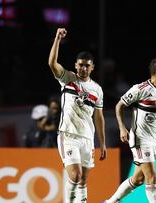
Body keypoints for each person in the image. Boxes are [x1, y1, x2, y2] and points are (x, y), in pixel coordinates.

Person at [103, 57, 156, 203]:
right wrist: (122, 128)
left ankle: (110, 202)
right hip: (140, 139)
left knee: (138, 179)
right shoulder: (140, 89)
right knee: (152, 178)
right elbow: (119, 106)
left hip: (154, 139)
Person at [48, 28, 107, 203]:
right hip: (69, 135)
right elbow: (52, 63)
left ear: (92, 67)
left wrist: (102, 143)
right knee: (75, 175)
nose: (83, 68)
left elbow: (98, 117)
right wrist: (57, 39)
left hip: (87, 137)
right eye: (80, 64)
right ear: (75, 65)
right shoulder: (67, 79)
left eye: (87, 65)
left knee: (83, 180)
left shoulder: (97, 90)